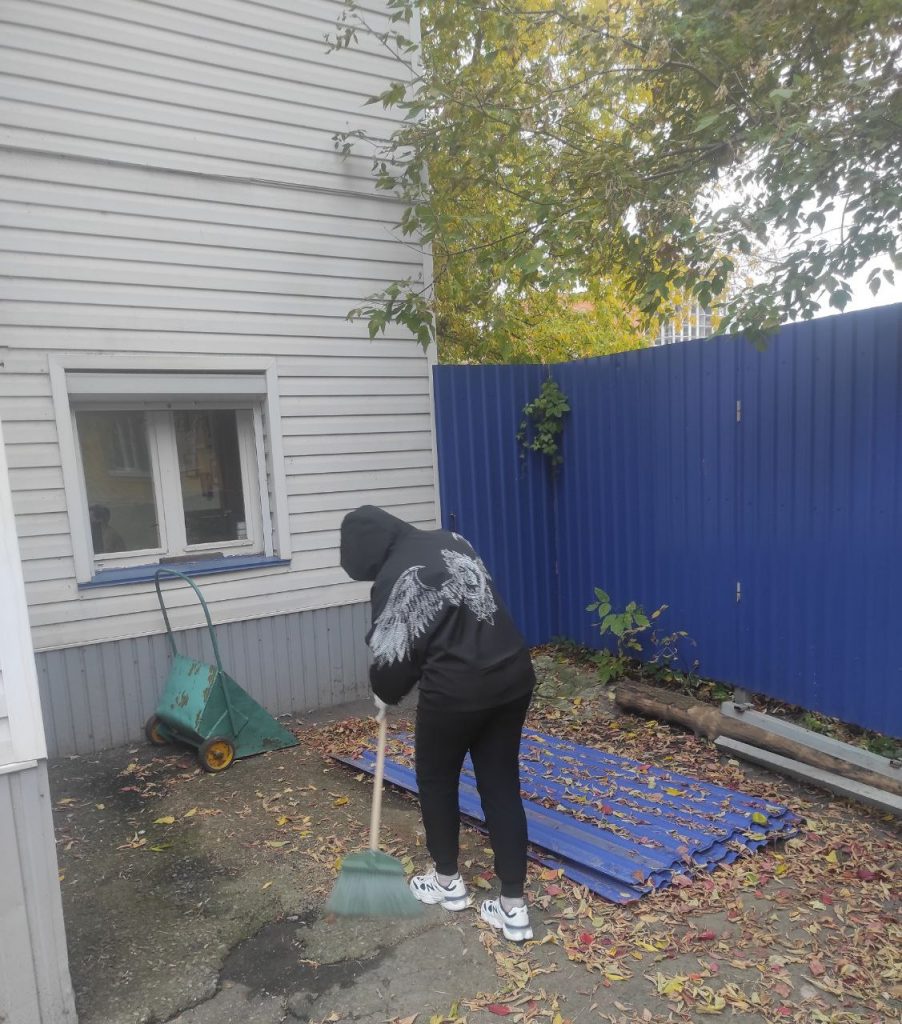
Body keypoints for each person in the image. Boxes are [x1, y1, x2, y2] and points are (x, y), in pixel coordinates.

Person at [340, 505, 536, 941]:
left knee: (437, 780)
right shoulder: (453, 541)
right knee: (501, 784)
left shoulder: (395, 577)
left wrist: (384, 691)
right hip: (512, 677)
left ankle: (448, 883)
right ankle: (513, 908)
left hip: (455, 692)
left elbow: (394, 658)